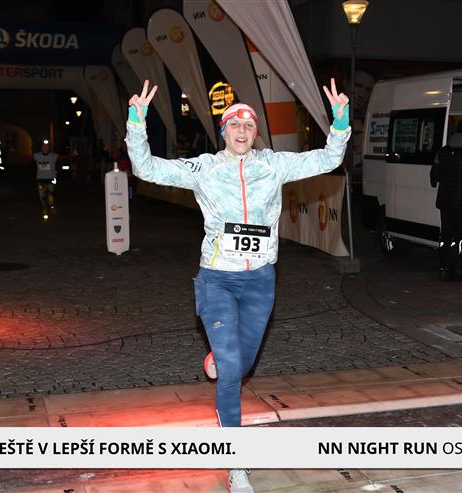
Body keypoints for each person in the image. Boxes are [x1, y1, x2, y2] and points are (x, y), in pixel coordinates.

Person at [125, 79, 350, 493]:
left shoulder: (274, 165)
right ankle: (236, 464)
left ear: (255, 133)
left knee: (241, 366)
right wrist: (136, 123)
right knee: (231, 372)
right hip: (218, 279)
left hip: (260, 281)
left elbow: (328, 158)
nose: (242, 130)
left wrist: (339, 122)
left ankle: (220, 354)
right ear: (224, 131)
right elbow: (147, 168)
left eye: (248, 125)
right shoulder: (204, 168)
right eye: (234, 124)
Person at [430, 119, 462, 281]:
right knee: (459, 237)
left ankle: (443, 267)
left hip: (444, 201)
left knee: (446, 236)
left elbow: (434, 176)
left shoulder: (442, 152)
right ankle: (451, 269)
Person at [33, 141, 58, 220]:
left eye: (47, 146)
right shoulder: (36, 155)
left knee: (51, 195)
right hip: (41, 180)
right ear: (41, 148)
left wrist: (73, 155)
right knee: (42, 197)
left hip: (51, 179)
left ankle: (51, 206)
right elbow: (26, 156)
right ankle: (44, 209)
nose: (45, 148)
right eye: (43, 146)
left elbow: (64, 157)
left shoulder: (54, 156)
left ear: (49, 148)